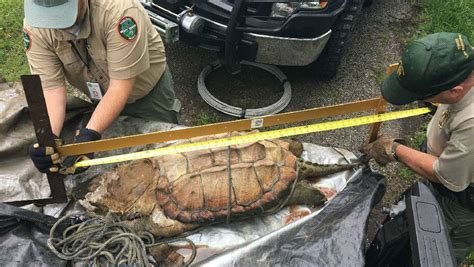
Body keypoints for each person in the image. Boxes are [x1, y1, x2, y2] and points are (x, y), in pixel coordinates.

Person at [23, 0, 182, 174]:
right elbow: (52, 90)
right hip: (100, 99)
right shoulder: (36, 26)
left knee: (166, 157)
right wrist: (49, 138)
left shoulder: (120, 11)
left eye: (61, 12)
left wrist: (89, 135)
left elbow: (120, 86)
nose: (55, 24)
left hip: (147, 96)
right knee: (124, 167)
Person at [362, 32, 473, 263]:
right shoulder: (462, 68)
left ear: (454, 91)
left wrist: (394, 150)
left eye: (424, 95)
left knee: (419, 256)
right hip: (453, 169)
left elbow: (445, 175)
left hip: (459, 202)